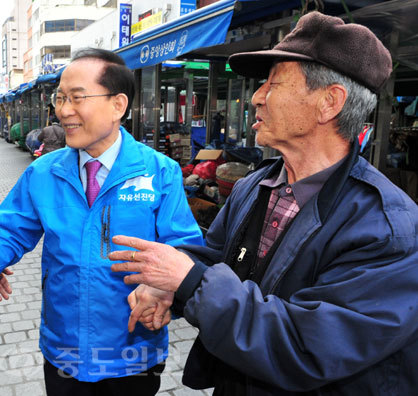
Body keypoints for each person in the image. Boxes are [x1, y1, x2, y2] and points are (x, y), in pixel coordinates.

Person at [109, 12, 418, 395]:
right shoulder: (255, 185)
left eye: (274, 84)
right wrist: (171, 289)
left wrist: (189, 280)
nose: (256, 97)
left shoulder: (389, 228)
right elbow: (217, 257)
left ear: (329, 103)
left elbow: (309, 347)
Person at [0, 48, 204, 396]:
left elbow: (187, 249)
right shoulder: (44, 172)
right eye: (60, 98)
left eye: (77, 98)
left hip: (133, 353)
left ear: (118, 105)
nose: (63, 110)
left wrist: (164, 290)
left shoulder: (160, 172)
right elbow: (7, 236)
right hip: (64, 350)